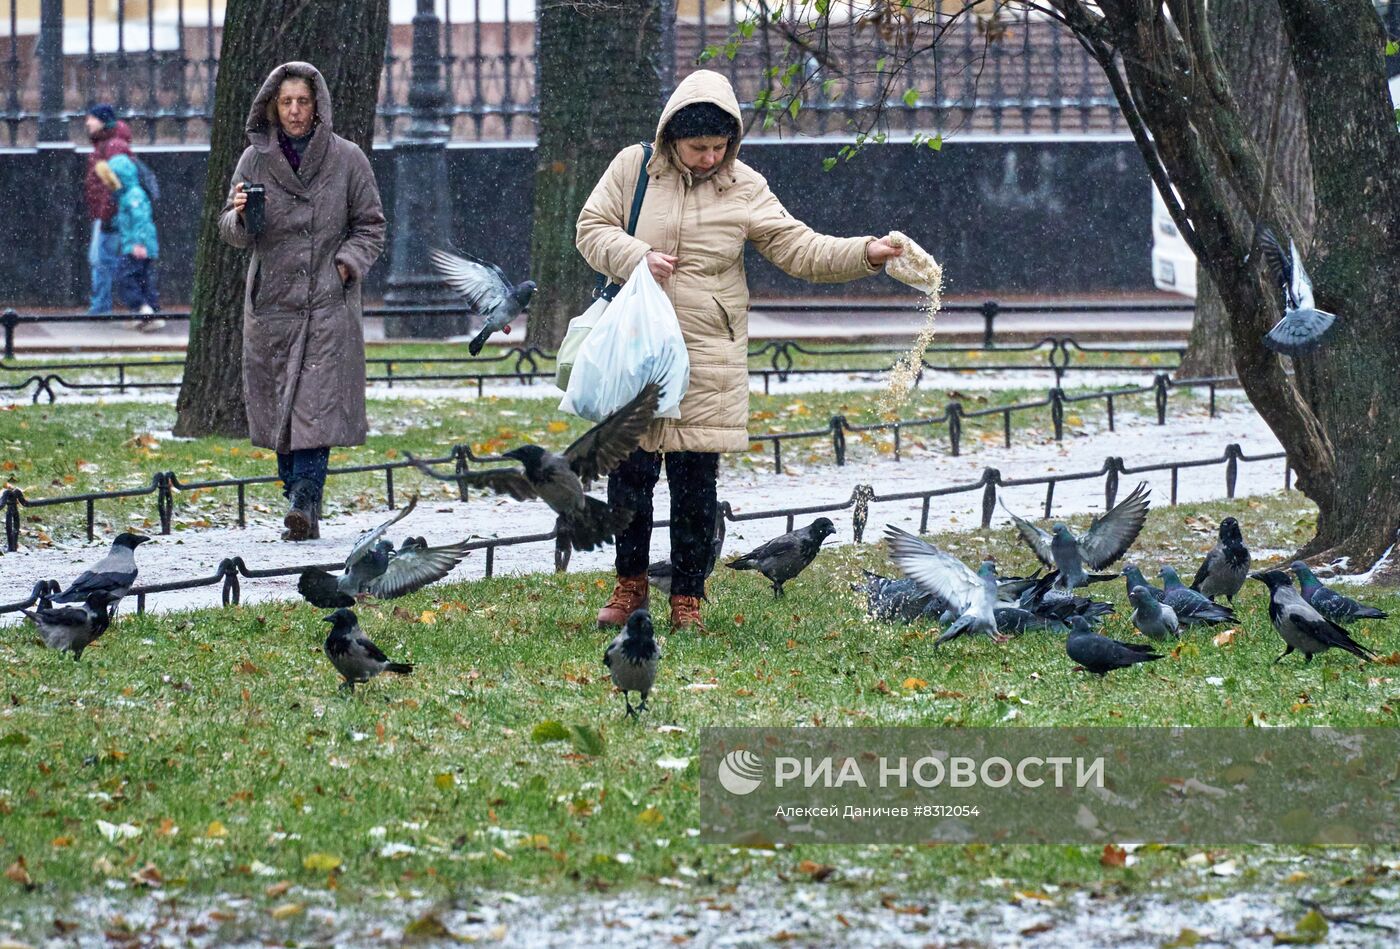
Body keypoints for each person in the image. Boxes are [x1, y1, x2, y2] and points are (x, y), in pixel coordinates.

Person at [576, 70, 903, 631]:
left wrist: (865, 253)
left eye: (719, 147)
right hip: (635, 352)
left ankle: (688, 598)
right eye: (697, 146)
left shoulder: (746, 185)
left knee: (695, 486)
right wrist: (637, 258)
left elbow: (799, 247)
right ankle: (629, 587)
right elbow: (590, 228)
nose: (708, 158)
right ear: (670, 137)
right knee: (628, 477)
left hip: (708, 357)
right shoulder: (633, 168)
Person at [218, 62, 386, 541]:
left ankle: (305, 498)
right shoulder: (254, 161)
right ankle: (298, 496)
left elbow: (371, 225)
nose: (294, 111)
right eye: (286, 102)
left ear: (318, 108)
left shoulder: (347, 159)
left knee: (315, 404)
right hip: (271, 303)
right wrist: (241, 215)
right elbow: (230, 231)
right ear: (274, 105)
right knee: (278, 409)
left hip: (326, 302)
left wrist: (345, 265)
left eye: (303, 102)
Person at [96, 153, 163, 330]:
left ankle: (142, 308)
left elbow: (140, 220)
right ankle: (150, 311)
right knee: (142, 278)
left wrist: (138, 243)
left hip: (137, 246)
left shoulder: (132, 195)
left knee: (125, 275)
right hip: (140, 244)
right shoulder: (129, 195)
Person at [82, 104, 132, 315]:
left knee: (103, 260)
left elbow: (114, 185)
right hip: (105, 214)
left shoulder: (113, 145)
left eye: (91, 118)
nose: (87, 122)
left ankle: (104, 306)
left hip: (110, 215)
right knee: (101, 260)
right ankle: (101, 305)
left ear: (102, 121)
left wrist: (106, 215)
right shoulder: (107, 143)